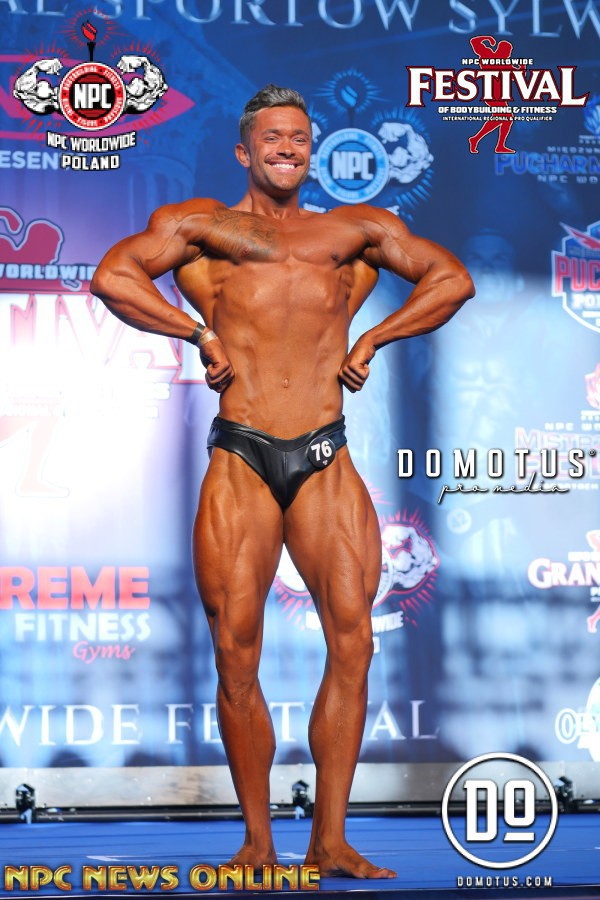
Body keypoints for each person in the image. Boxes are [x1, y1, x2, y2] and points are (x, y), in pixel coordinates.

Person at [91, 84, 474, 879]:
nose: (287, 148)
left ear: (312, 148)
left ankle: (330, 841)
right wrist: (196, 331)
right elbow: (114, 276)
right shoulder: (201, 226)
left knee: (354, 641)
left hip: (326, 455)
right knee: (235, 652)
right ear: (245, 150)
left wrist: (374, 336)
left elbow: (450, 279)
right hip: (242, 457)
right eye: (272, 137)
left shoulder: (353, 231)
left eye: (299, 137)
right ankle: (258, 843)